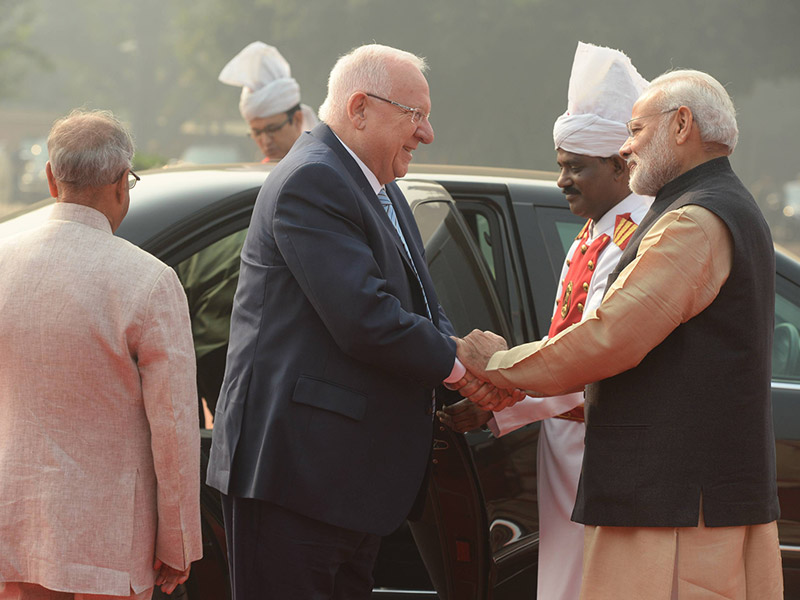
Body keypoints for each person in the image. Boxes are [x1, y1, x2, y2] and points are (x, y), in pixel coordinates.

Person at [455, 69, 784, 599]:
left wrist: (497, 364)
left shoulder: (692, 221)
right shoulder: (711, 207)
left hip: (672, 502)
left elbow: (611, 335)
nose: (627, 148)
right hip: (683, 495)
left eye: (634, 130)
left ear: (681, 125)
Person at [206, 44, 518, 599]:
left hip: (343, 482)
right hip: (295, 478)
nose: (427, 134)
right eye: (415, 115)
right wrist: (459, 364)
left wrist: (463, 375)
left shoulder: (379, 184)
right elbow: (365, 317)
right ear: (359, 108)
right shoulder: (314, 180)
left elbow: (418, 303)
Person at [439, 42, 651, 600]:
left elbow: (596, 356)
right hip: (566, 449)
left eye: (574, 168)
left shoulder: (638, 241)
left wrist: (495, 395)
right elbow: (562, 345)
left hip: (601, 451)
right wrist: (496, 397)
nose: (563, 182)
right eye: (561, 166)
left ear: (621, 164)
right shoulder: (591, 230)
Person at [0, 110, 202, 599]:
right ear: (120, 184)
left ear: (51, 178)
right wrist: (178, 541)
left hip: (16, 524)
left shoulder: (3, 263)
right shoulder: (149, 281)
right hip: (112, 541)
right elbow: (174, 429)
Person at [219, 41, 319, 161]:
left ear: (297, 119)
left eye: (273, 129)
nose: (266, 141)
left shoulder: (321, 170)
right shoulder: (259, 174)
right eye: (257, 133)